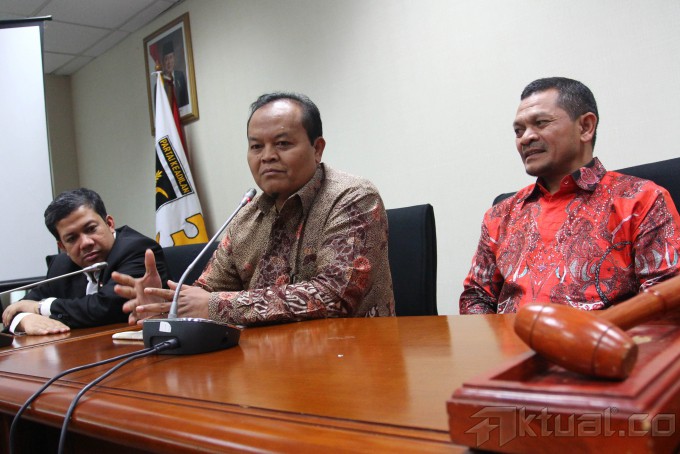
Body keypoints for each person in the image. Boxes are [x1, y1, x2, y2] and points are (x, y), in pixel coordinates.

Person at [114, 92, 395, 326]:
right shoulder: (245, 218)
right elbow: (207, 292)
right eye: (256, 146)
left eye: (282, 143)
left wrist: (215, 306)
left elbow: (334, 296)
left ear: (317, 148)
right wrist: (168, 307)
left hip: (354, 358)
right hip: (269, 362)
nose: (267, 156)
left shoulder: (352, 198)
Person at [460, 77, 680, 314]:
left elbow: (667, 301)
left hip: (603, 336)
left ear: (585, 127)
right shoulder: (500, 215)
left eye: (541, 123)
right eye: (518, 131)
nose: (526, 138)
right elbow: (476, 296)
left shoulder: (641, 200)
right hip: (509, 337)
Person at [2, 188, 168, 335]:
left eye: (90, 229)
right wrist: (25, 319)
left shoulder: (139, 250)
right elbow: (20, 306)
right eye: (72, 238)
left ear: (109, 223)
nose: (86, 243)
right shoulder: (61, 265)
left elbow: (107, 307)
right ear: (63, 247)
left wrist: (40, 308)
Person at [161, 41, 189, 108]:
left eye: (171, 57)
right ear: (163, 62)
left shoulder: (180, 76)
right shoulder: (160, 84)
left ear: (174, 58)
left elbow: (186, 99)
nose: (169, 62)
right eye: (166, 59)